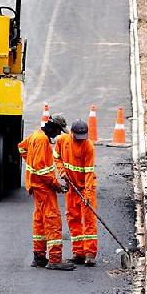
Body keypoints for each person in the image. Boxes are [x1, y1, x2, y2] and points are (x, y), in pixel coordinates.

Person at [18, 114, 74, 271]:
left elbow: (22, 147)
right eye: (59, 131)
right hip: (44, 188)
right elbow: (43, 171)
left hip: (35, 186)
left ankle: (39, 256)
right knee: (52, 220)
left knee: (39, 220)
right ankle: (55, 259)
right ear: (54, 127)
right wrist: (57, 185)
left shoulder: (36, 135)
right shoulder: (42, 141)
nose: (58, 135)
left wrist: (30, 161)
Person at [57, 119, 98, 266]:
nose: (81, 141)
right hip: (72, 188)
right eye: (77, 138)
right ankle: (78, 252)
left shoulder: (88, 146)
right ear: (71, 133)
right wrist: (62, 171)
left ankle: (90, 254)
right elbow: (57, 158)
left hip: (86, 188)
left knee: (89, 220)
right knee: (73, 219)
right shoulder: (63, 141)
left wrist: (87, 194)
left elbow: (88, 173)